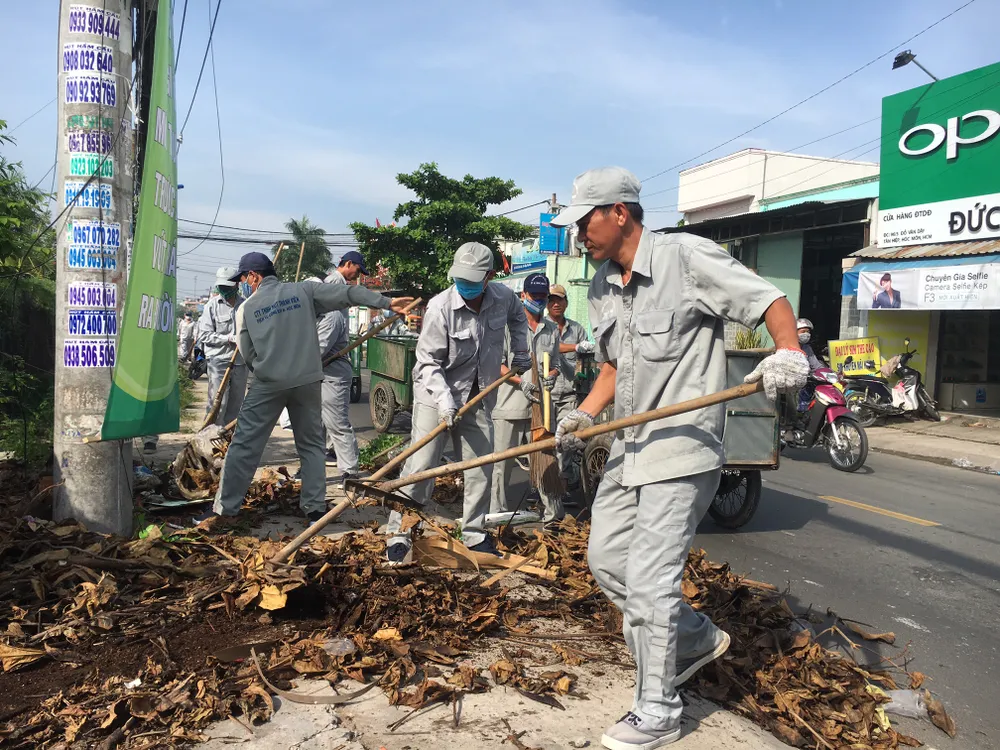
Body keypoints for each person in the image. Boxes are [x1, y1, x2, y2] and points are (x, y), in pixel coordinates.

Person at [550, 167, 808, 750]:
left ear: (620, 212)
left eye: (586, 220)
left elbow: (768, 299)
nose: (579, 234)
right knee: (606, 559)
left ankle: (658, 708)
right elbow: (615, 366)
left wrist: (788, 351)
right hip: (631, 446)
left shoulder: (687, 257)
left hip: (683, 447)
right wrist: (586, 415)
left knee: (648, 581)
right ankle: (692, 639)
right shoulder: (599, 286)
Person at [196, 252, 412, 526]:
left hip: (269, 383)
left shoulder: (248, 308)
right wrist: (388, 302)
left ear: (253, 276)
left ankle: (224, 510)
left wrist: (265, 370)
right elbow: (349, 295)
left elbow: (248, 354)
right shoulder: (304, 290)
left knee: (244, 446)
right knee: (311, 446)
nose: (243, 285)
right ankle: (314, 509)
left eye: (244, 279)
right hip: (307, 380)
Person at [383, 242, 530, 564]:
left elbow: (519, 319)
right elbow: (427, 364)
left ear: (490, 276)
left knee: (480, 467)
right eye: (460, 278)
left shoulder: (504, 298)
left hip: (480, 395)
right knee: (421, 467)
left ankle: (475, 534)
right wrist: (446, 403)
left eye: (473, 279)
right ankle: (399, 533)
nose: (464, 286)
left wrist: (520, 351)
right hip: (435, 396)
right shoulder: (440, 308)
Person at [490, 273, 565, 525]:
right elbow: (497, 364)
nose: (540, 301)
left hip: (540, 407)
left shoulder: (551, 329)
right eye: (535, 296)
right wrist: (520, 381)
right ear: (523, 296)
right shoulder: (507, 326)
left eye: (543, 296)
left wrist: (551, 376)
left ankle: (554, 516)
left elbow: (554, 364)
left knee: (546, 461)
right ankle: (498, 515)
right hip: (508, 406)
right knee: (501, 465)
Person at [546, 284, 595, 488]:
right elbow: (549, 348)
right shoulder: (541, 327)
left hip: (569, 392)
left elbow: (586, 358)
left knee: (566, 441)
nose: (556, 304)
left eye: (560, 300)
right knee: (545, 442)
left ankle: (563, 486)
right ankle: (544, 485)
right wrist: (574, 347)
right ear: (547, 304)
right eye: (552, 300)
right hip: (546, 393)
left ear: (566, 303)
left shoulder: (576, 329)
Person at [315, 275, 360, 482]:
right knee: (316, 425)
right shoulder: (316, 315)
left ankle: (349, 470)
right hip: (318, 374)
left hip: (333, 376)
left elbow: (319, 350)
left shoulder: (331, 317)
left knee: (336, 423)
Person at [197, 267, 248, 426]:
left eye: (228, 287)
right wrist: (228, 339)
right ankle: (210, 435)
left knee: (235, 405)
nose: (225, 290)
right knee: (218, 404)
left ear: (236, 285)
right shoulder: (211, 306)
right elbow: (204, 335)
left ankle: (228, 441)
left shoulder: (246, 305)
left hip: (240, 362)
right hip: (218, 361)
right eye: (222, 287)